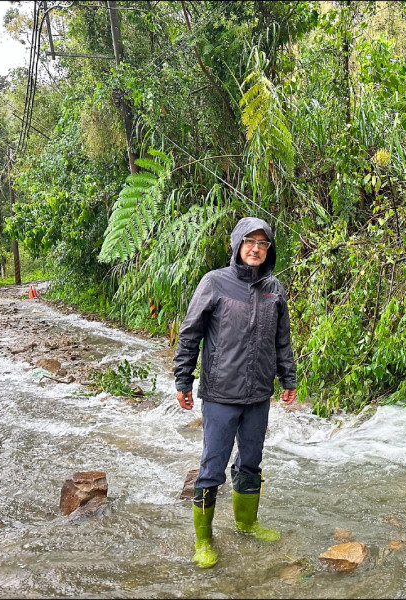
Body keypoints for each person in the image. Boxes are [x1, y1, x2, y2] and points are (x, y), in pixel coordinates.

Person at [173, 216, 297, 568]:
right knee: (212, 466)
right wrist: (183, 380)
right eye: (249, 242)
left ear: (268, 250)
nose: (256, 249)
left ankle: (247, 523)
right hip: (220, 393)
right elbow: (190, 334)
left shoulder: (274, 288)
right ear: (237, 245)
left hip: (259, 393)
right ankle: (203, 540)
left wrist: (288, 379)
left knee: (251, 463)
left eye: (262, 243)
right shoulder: (215, 282)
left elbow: (282, 340)